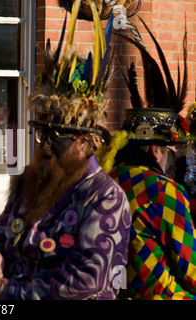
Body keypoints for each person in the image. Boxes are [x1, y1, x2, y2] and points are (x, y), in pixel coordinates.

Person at [0, 4, 131, 300]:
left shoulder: (105, 198)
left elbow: (88, 280)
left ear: (86, 141)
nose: (45, 145)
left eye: (57, 137)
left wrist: (12, 292)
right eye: (43, 134)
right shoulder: (30, 182)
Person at [98, 19, 196, 299]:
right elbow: (190, 270)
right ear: (155, 150)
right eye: (171, 151)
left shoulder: (103, 181)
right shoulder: (164, 191)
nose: (174, 160)